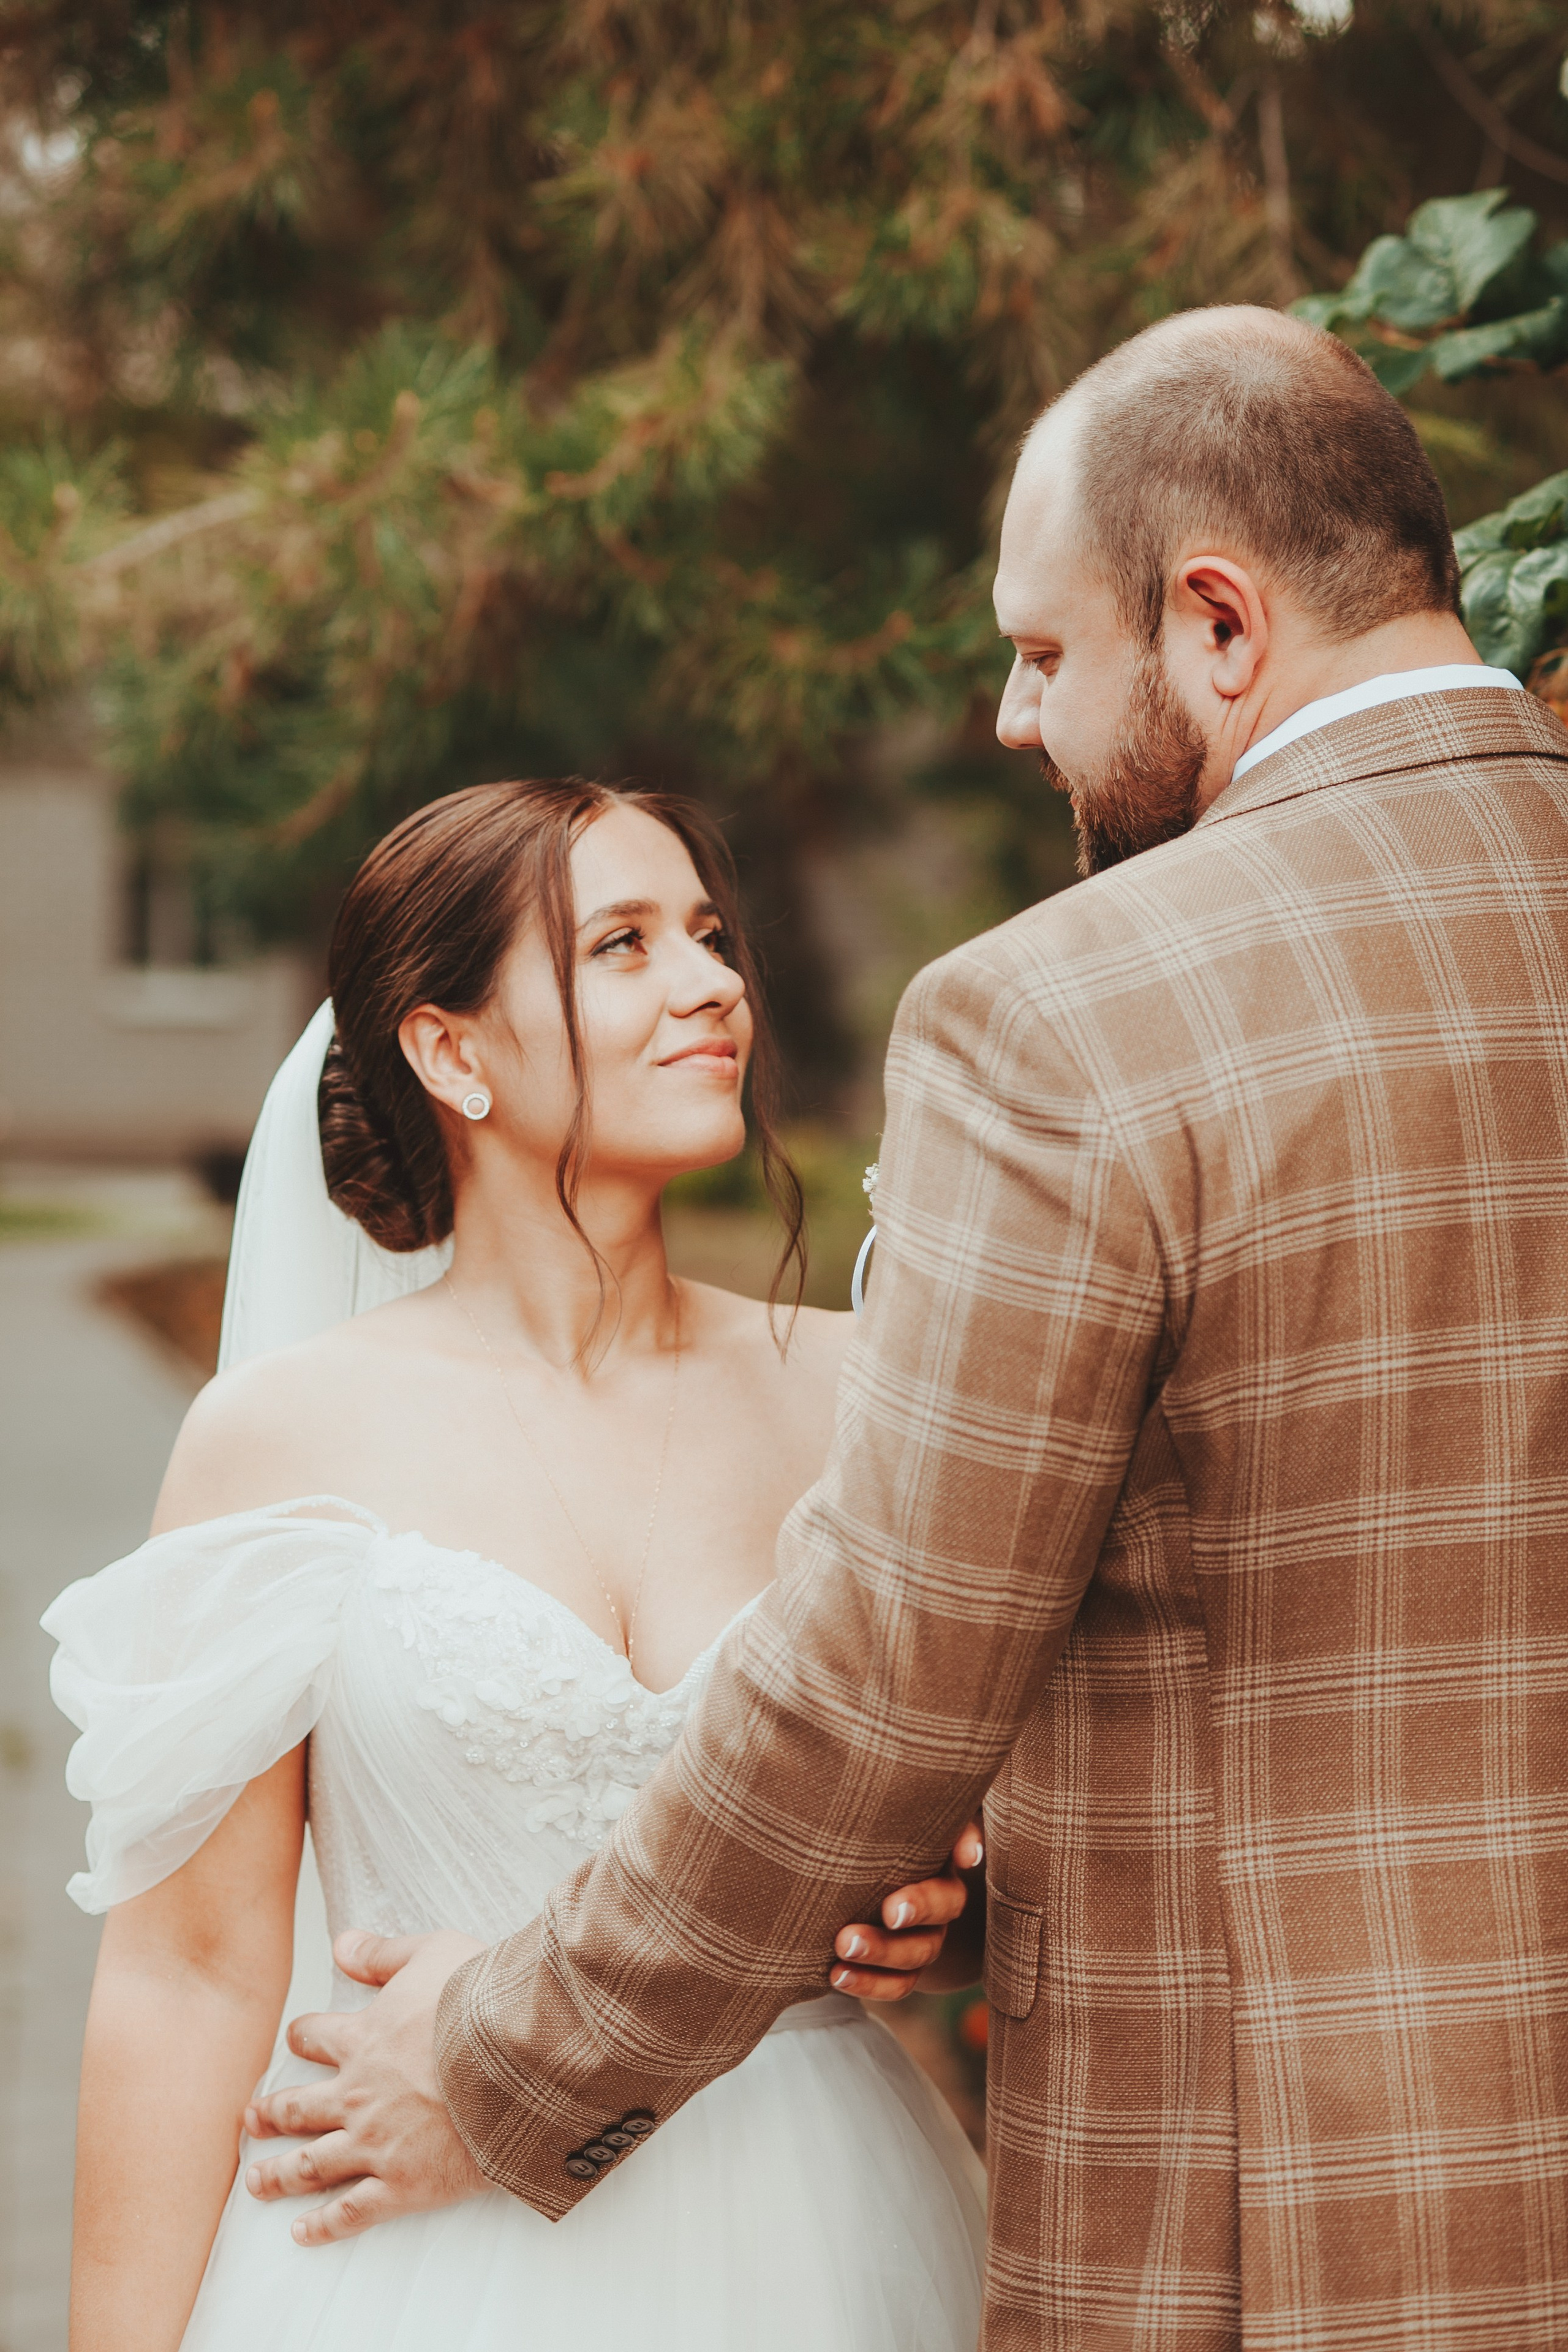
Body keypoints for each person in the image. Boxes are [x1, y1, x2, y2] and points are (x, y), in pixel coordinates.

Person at [238, 306, 1568, 2350]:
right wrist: (961, 1890)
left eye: (1045, 653)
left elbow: (882, 1679)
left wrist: (503, 2060)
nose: (1018, 719)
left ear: (1219, 624)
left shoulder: (1075, 1017)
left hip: (1287, 2216)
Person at [44, 777, 987, 2352]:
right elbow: (190, 1976)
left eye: (708, 935)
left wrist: (941, 1915)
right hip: (405, 2256)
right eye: (621, 945)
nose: (710, 984)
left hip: (825, 2226)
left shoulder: (859, 1390)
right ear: (451, 1053)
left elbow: (979, 1830)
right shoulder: (279, 1436)